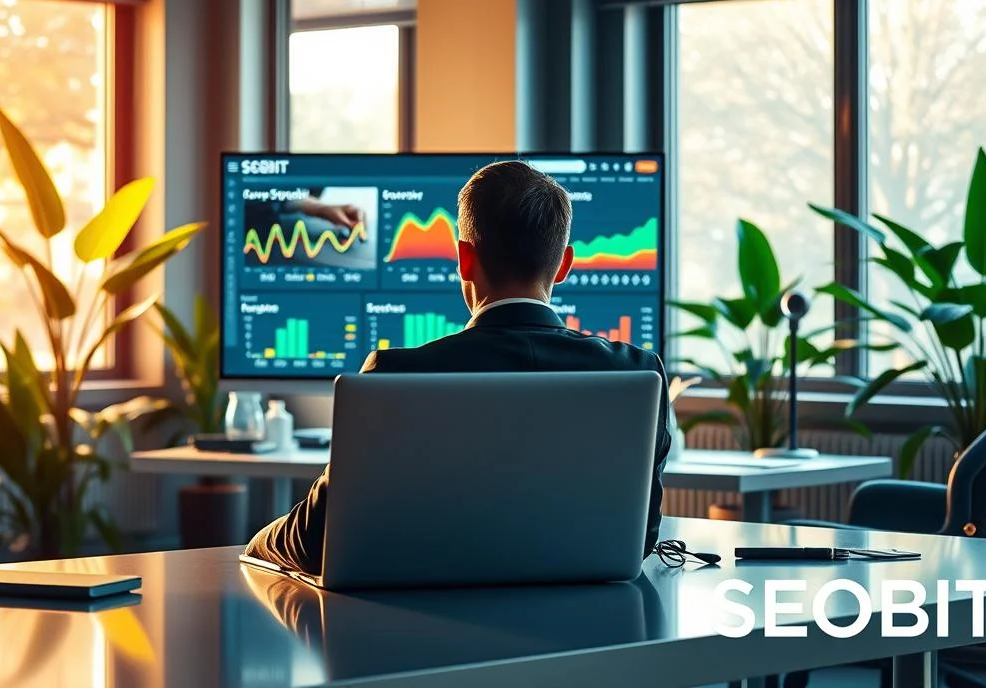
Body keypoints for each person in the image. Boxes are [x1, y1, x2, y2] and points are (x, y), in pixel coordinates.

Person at [243, 160, 672, 575]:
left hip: (419, 630)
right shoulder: (637, 371)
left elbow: (316, 539)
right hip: (595, 624)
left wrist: (256, 545)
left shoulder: (395, 377)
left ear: (464, 259)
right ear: (563, 265)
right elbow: (643, 536)